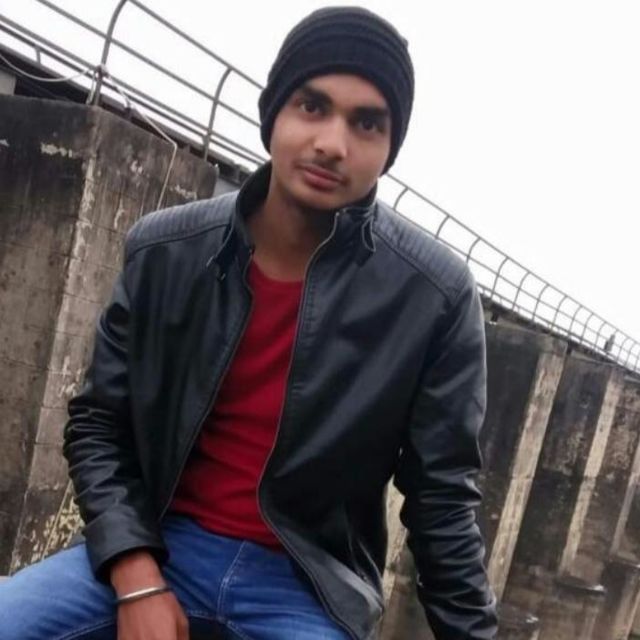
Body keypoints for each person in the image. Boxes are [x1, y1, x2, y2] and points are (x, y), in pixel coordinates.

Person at [0, 6, 497, 640]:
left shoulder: (434, 295)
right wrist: (136, 573)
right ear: (273, 114)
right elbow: (99, 423)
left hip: (308, 581)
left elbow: (442, 498)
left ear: (389, 148)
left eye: (366, 123)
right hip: (159, 542)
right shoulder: (165, 250)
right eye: (312, 106)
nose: (332, 143)